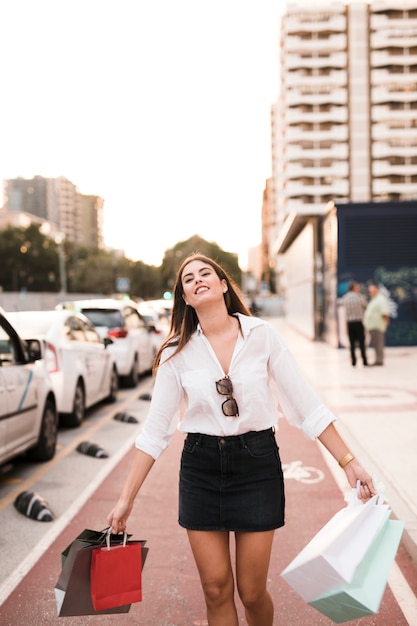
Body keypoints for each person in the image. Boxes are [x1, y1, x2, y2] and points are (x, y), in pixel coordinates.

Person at [107, 253, 376, 626]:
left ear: (222, 285)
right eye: (188, 279)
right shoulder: (175, 352)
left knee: (251, 592)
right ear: (185, 297)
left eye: (206, 273)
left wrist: (349, 462)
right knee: (215, 588)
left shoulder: (262, 336)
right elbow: (154, 432)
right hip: (200, 468)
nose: (197, 279)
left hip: (256, 464)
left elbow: (308, 405)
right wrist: (125, 500)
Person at [340, 280, 368, 367]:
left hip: (350, 323)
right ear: (354, 288)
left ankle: (353, 361)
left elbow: (343, 307)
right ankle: (364, 360)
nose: (358, 288)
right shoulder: (360, 297)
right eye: (357, 287)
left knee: (352, 344)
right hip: (359, 322)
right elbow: (366, 306)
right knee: (361, 343)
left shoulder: (345, 298)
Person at [364, 282, 390, 366]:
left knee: (379, 344)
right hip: (372, 326)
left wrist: (386, 322)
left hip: (378, 325)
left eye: (372, 289)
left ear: (376, 289)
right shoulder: (374, 299)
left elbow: (384, 312)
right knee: (375, 344)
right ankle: (377, 359)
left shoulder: (380, 299)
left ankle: (379, 360)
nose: (370, 291)